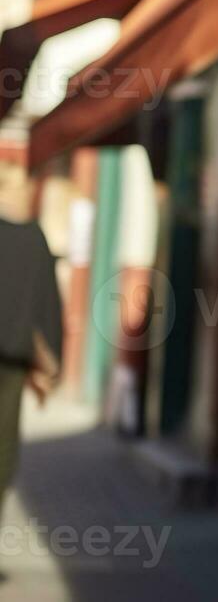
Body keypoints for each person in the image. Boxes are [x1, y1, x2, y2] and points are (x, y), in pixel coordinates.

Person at [0, 162, 64, 505]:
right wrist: (52, 358)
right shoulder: (33, 237)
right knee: (4, 438)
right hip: (13, 354)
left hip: (14, 354)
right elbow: (48, 302)